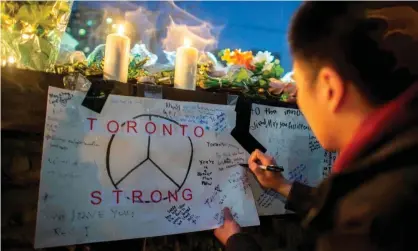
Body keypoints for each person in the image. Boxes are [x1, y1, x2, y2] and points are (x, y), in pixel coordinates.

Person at [214, 2, 418, 251]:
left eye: (298, 85)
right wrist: (283, 186)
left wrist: (237, 243)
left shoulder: (370, 216)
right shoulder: (400, 160)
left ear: (329, 88)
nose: (297, 100)